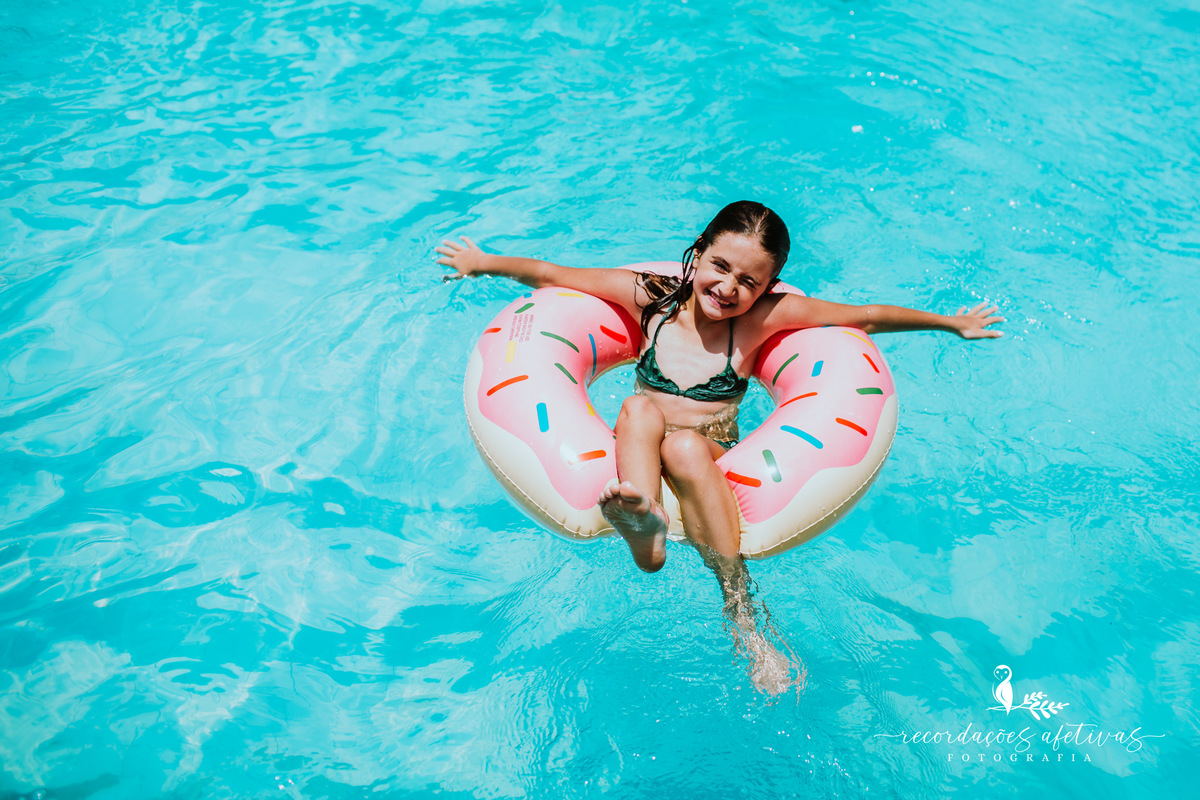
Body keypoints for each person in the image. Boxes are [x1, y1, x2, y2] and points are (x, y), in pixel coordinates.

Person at [436, 200, 1003, 693]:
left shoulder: (760, 322)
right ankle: (646, 534)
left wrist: (950, 324)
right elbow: (553, 274)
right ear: (699, 252)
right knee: (637, 408)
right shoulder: (651, 301)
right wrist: (482, 263)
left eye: (749, 282)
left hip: (706, 451)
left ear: (769, 286)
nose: (729, 288)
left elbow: (864, 318)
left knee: (683, 446)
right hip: (638, 443)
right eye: (720, 266)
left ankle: (744, 620)